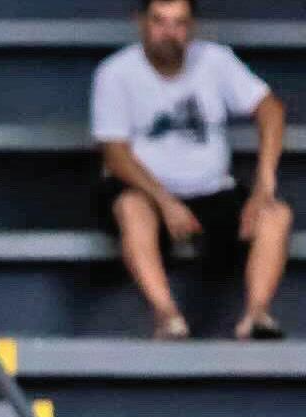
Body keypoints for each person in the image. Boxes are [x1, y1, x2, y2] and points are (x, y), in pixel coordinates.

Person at [92, 0, 292, 339]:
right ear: (141, 22)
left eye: (179, 23)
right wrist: (165, 202)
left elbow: (270, 109)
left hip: (211, 191)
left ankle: (257, 315)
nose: (169, 33)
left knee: (276, 214)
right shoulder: (115, 72)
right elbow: (115, 154)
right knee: (131, 208)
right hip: (146, 192)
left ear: (192, 27)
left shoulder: (215, 60)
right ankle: (167, 316)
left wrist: (264, 184)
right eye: (159, 21)